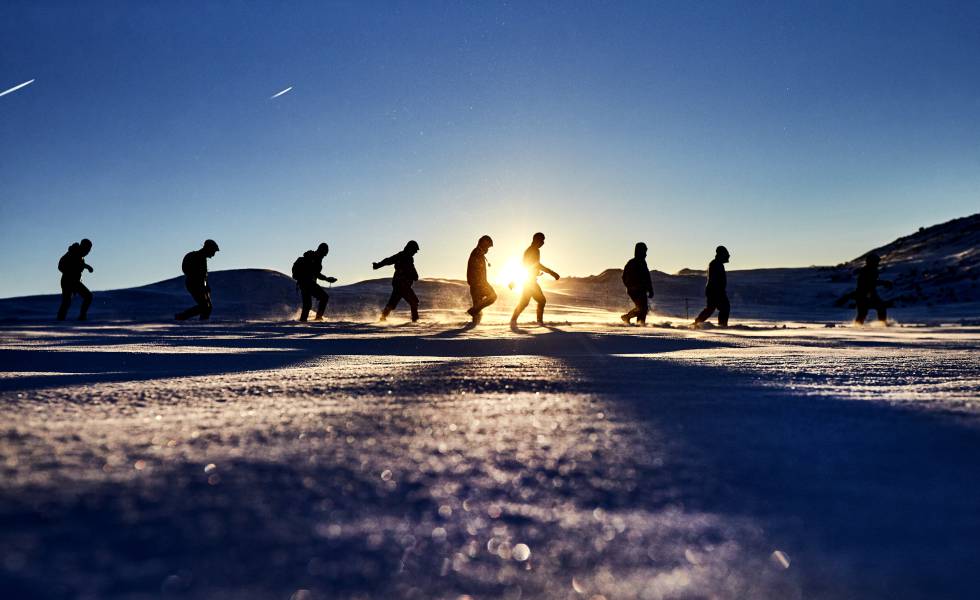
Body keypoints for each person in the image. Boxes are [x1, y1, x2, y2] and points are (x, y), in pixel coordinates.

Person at [510, 232, 560, 325]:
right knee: (540, 301)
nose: (543, 243)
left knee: (525, 302)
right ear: (536, 240)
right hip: (530, 282)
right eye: (542, 240)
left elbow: (531, 266)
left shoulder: (533, 250)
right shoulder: (532, 250)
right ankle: (539, 322)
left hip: (529, 281)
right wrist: (552, 273)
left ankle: (514, 320)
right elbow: (534, 265)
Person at [373, 240, 420, 322]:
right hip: (401, 284)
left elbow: (412, 269)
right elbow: (388, 260)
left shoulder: (409, 258)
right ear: (410, 249)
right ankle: (415, 321)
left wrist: (415, 275)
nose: (415, 252)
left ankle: (383, 318)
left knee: (393, 303)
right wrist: (378, 265)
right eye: (415, 250)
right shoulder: (402, 255)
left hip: (400, 284)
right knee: (414, 301)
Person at [175, 239, 219, 321]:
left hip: (197, 284)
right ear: (209, 249)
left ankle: (202, 321)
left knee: (207, 306)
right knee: (205, 306)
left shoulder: (201, 257)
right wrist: (203, 285)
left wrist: (206, 286)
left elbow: (202, 276)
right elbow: (200, 275)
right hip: (195, 284)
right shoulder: (199, 257)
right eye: (213, 251)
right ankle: (181, 317)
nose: (213, 254)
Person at [293, 242, 337, 321]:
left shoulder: (315, 258)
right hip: (307, 283)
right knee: (323, 297)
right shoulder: (313, 258)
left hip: (304, 283)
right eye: (324, 253)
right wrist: (327, 279)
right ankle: (317, 318)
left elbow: (315, 273)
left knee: (308, 304)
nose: (325, 255)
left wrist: (327, 278)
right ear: (321, 251)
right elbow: (315, 273)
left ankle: (304, 321)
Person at [56, 238, 94, 321]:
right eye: (87, 249)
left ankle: (80, 317)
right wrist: (71, 272)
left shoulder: (79, 256)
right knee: (68, 301)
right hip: (68, 281)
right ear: (83, 247)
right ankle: (61, 319)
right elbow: (61, 266)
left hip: (74, 281)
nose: (88, 252)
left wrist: (87, 267)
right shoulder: (73, 253)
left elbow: (79, 264)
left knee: (69, 301)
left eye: (89, 250)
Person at [693, 245, 730, 328]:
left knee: (713, 308)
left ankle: (698, 323)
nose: (728, 256)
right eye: (726, 254)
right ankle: (722, 325)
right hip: (715, 291)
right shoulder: (715, 264)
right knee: (722, 308)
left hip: (715, 290)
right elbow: (715, 279)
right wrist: (718, 291)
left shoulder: (718, 264)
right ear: (722, 254)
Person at [466, 235, 497, 324]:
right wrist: (479, 284)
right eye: (488, 246)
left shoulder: (478, 253)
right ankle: (474, 310)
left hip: (477, 284)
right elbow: (474, 270)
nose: (488, 249)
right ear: (483, 244)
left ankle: (474, 314)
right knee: (493, 297)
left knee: (478, 314)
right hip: (479, 284)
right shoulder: (477, 253)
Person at [853, 253, 892, 324]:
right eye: (876, 262)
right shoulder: (866, 271)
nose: (878, 263)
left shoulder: (872, 270)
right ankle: (882, 324)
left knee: (878, 308)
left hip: (868, 293)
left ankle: (882, 324)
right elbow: (870, 283)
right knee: (864, 312)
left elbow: (872, 283)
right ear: (871, 262)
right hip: (864, 294)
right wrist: (883, 283)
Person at [621, 242, 653, 325]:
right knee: (642, 308)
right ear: (639, 251)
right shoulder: (632, 262)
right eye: (644, 251)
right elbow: (624, 277)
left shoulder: (642, 262)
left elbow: (647, 278)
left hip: (641, 290)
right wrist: (630, 286)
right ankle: (640, 325)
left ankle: (632, 320)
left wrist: (650, 289)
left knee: (642, 308)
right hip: (635, 290)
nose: (646, 254)